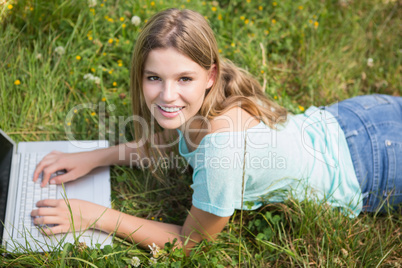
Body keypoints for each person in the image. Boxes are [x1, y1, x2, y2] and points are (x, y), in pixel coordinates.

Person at [31, 8, 402, 254]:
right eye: (154, 78)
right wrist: (95, 157)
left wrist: (92, 215)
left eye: (184, 78)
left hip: (375, 165)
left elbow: (191, 242)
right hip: (355, 117)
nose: (166, 95)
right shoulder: (208, 98)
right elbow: (166, 145)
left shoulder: (221, 151)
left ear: (209, 75)